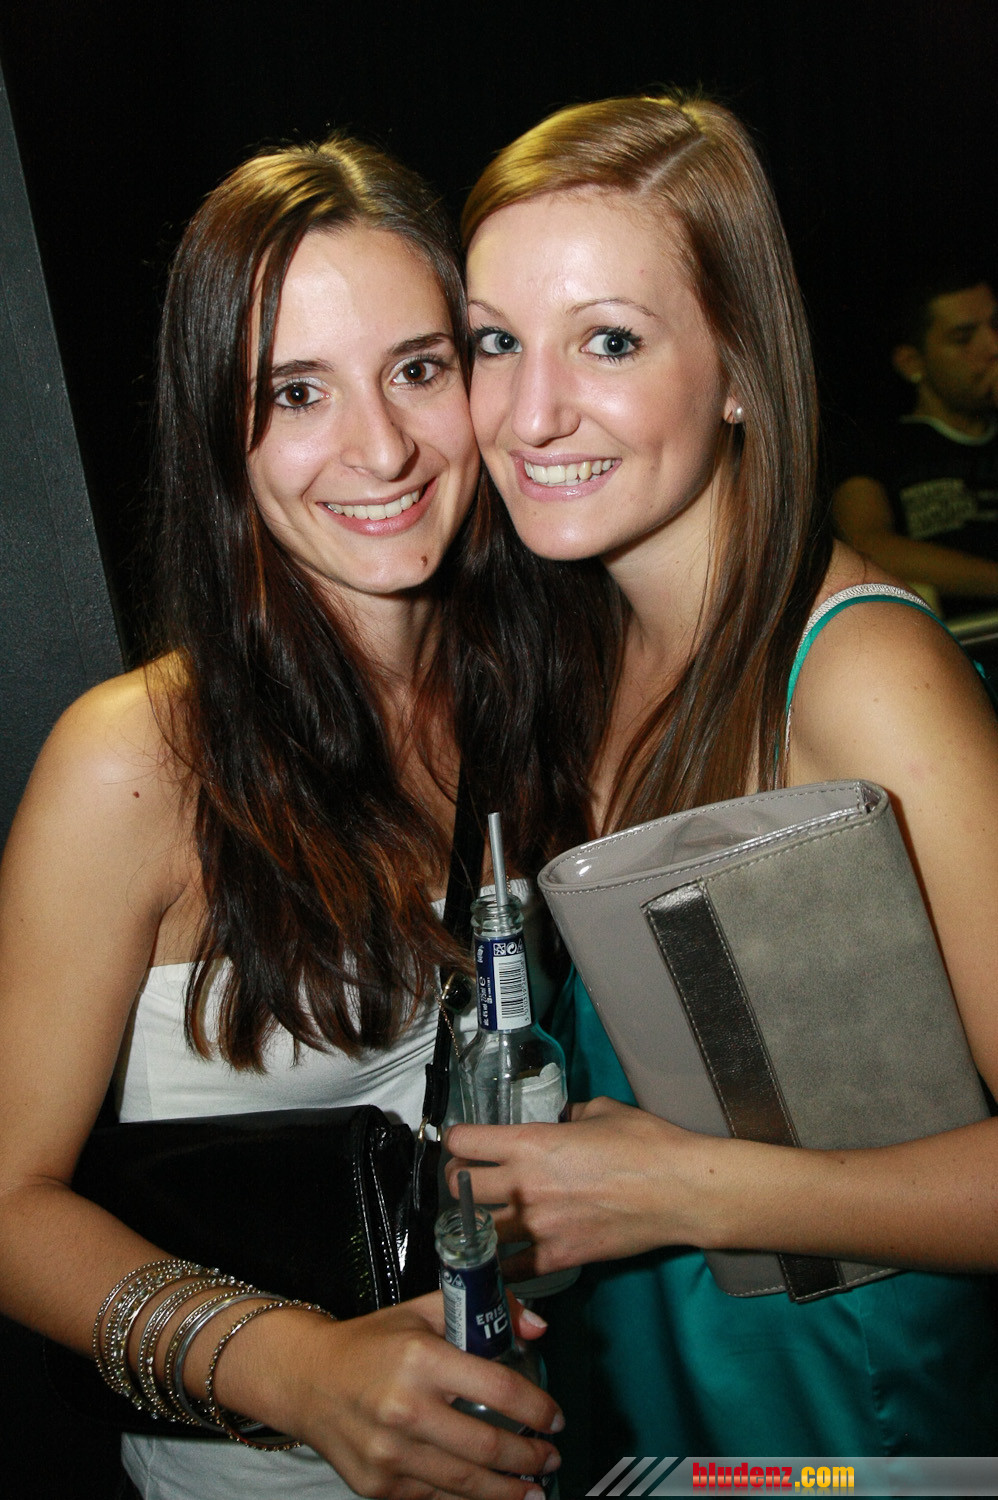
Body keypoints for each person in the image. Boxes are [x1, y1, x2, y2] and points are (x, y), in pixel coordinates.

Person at [0, 135, 577, 1500]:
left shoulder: (537, 694)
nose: (380, 447)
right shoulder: (141, 761)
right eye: (294, 391)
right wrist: (300, 1372)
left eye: (418, 370)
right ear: (218, 427)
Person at [446, 94, 998, 1479]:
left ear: (742, 366)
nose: (528, 413)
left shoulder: (857, 670)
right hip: (651, 1399)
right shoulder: (588, 646)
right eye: (495, 342)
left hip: (844, 1431)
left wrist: (680, 1191)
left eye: (607, 341)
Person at [832, 269, 998, 615]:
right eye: (964, 338)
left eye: (996, 326)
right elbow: (865, 544)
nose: (993, 347)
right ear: (911, 363)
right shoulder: (878, 445)